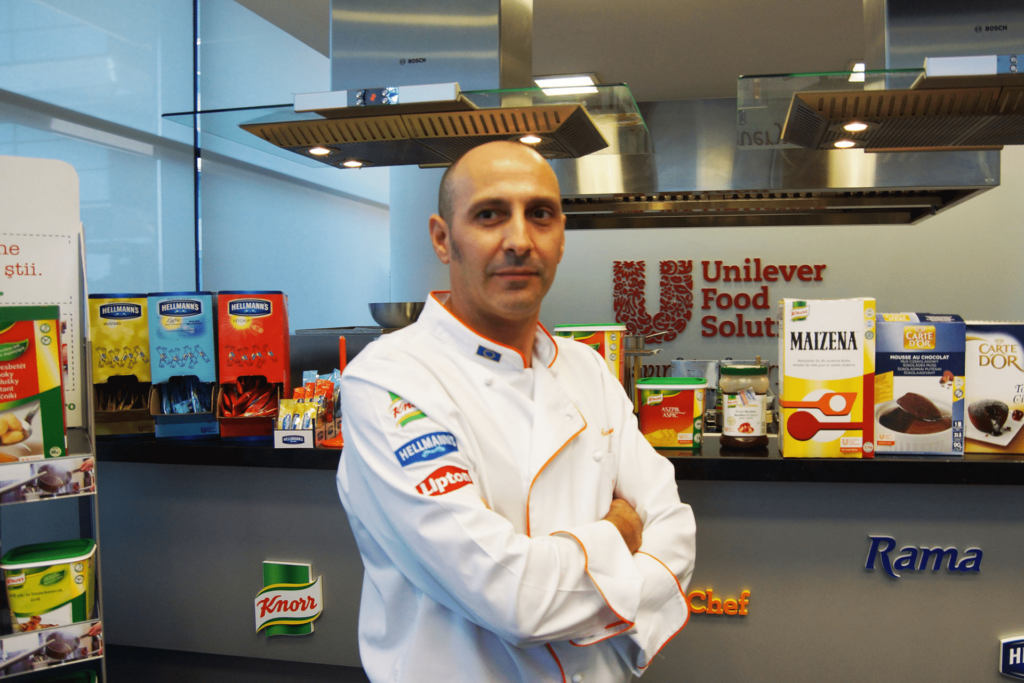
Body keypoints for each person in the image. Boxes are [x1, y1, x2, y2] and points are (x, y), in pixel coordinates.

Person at [336, 141, 696, 683]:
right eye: (490, 215)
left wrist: (562, 582)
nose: (520, 241)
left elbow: (675, 530)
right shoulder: (390, 381)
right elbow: (512, 598)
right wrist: (621, 534)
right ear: (442, 238)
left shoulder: (587, 367)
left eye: (540, 214)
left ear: (561, 236)